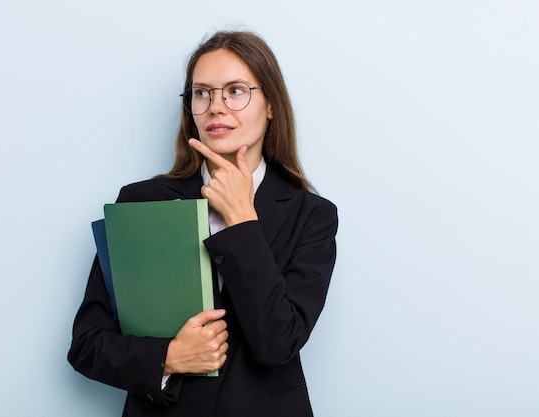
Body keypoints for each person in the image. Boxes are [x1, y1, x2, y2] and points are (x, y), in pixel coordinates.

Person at [68, 30, 338, 417]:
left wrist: (242, 219)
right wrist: (169, 357)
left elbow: (278, 342)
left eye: (236, 90)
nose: (216, 106)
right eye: (202, 93)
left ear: (271, 106)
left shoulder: (313, 215)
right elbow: (87, 345)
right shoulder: (141, 201)